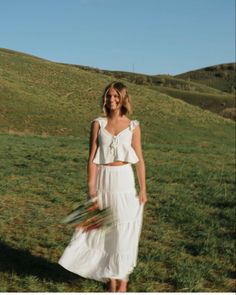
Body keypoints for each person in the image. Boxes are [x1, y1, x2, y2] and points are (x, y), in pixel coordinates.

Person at [58, 81, 148, 292]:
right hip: (102, 182)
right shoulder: (97, 123)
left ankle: (122, 279)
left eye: (116, 96)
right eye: (108, 96)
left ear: (124, 99)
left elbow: (140, 159)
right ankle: (110, 276)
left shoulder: (133, 125)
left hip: (125, 183)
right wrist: (91, 188)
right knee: (100, 231)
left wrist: (143, 189)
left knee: (124, 231)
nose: (112, 100)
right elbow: (92, 158)